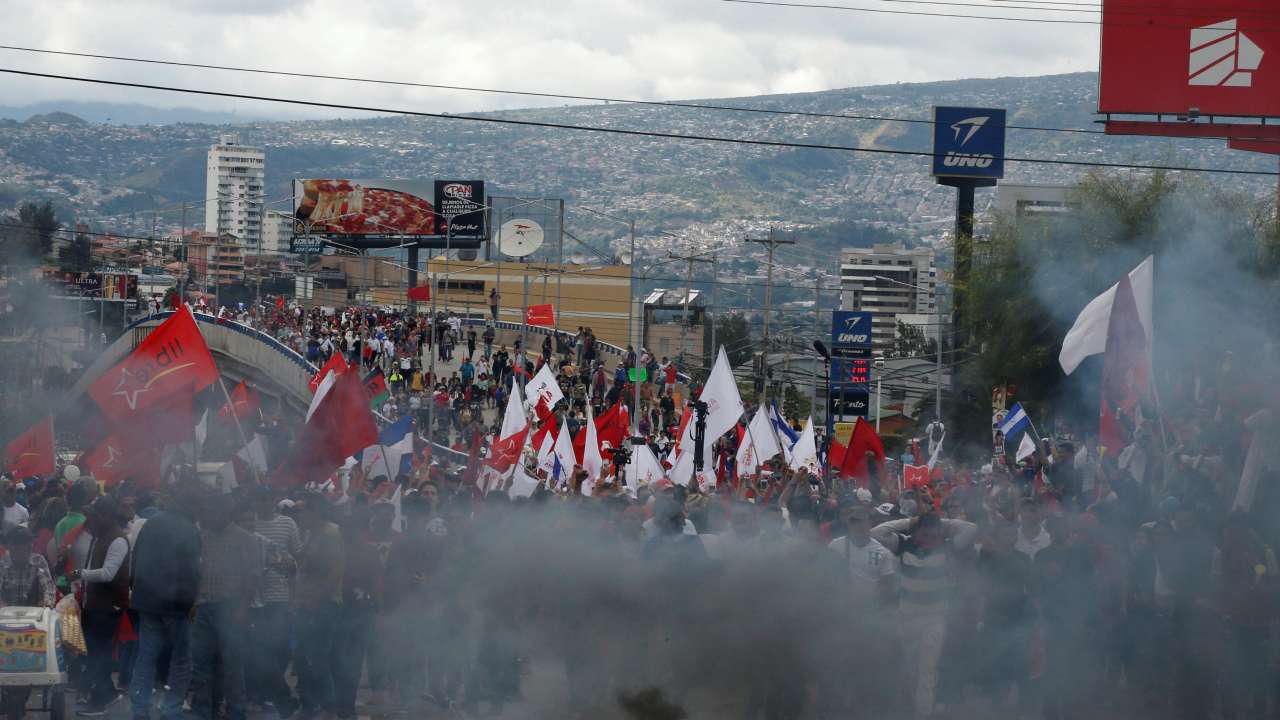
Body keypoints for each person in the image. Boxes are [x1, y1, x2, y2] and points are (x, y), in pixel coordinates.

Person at [871, 512, 977, 719]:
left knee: (927, 670)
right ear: (917, 531)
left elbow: (971, 528)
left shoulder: (947, 546)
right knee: (909, 668)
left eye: (932, 532)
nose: (928, 537)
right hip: (907, 617)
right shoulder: (904, 543)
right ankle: (910, 707)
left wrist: (942, 523)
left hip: (934, 618)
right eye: (924, 532)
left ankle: (923, 713)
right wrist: (910, 522)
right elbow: (876, 532)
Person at [129, 487, 202, 720]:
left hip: (147, 601)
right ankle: (171, 710)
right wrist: (191, 602)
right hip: (176, 605)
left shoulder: (151, 523)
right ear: (190, 506)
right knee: (181, 659)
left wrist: (137, 590)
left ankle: (140, 710)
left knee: (146, 657)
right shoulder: (189, 529)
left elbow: (136, 557)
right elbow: (192, 571)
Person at [190, 494, 262, 720]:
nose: (208, 517)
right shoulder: (203, 536)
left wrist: (242, 608)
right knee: (201, 665)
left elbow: (252, 577)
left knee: (232, 666)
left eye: (212, 512)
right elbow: (196, 573)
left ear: (225, 513)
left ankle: (236, 712)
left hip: (231, 608)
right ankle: (204, 711)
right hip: (204, 607)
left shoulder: (245, 539)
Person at [74, 497, 131, 717]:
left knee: (100, 653)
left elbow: (108, 574)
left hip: (108, 608)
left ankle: (100, 700)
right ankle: (106, 694)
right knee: (95, 653)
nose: (91, 521)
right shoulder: (100, 537)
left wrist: (80, 574)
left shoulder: (117, 540)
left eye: (95, 516)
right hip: (94, 605)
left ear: (106, 516)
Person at [248, 487, 301, 716]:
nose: (264, 502)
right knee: (260, 649)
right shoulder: (249, 523)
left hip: (281, 596)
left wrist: (294, 595)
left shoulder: (288, 524)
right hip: (254, 598)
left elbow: (296, 559)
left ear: (274, 500)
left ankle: (269, 694)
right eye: (260, 498)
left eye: (267, 498)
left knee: (279, 649)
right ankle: (270, 695)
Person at [292, 493, 345, 720]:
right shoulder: (311, 534)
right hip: (305, 603)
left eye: (302, 510)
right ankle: (309, 705)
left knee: (318, 657)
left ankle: (328, 708)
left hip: (322, 606)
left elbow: (336, 569)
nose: (299, 515)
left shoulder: (330, 532)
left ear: (315, 512)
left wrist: (318, 599)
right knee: (303, 656)